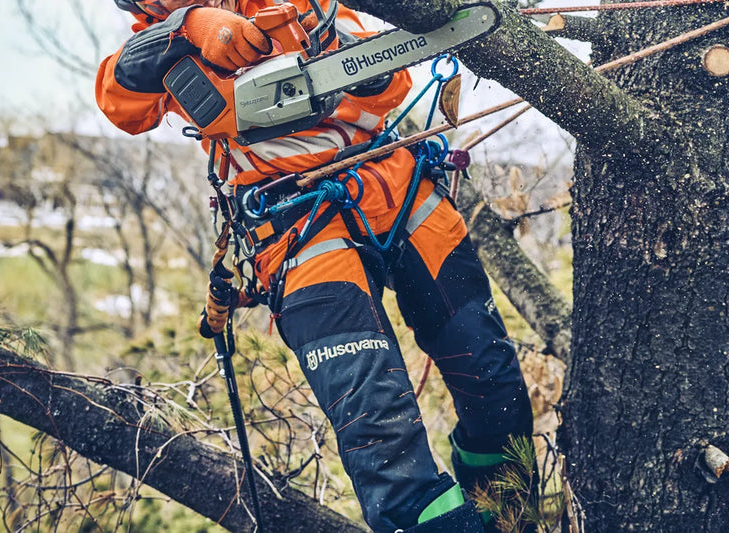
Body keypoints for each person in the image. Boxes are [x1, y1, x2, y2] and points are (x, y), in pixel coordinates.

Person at [96, 1, 535, 531]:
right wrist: (188, 28)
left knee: (489, 372)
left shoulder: (297, 5)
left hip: (395, 186)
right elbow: (118, 101)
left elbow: (390, 84)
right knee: (378, 426)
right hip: (294, 227)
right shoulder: (158, 48)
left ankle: (514, 518)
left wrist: (337, 56)